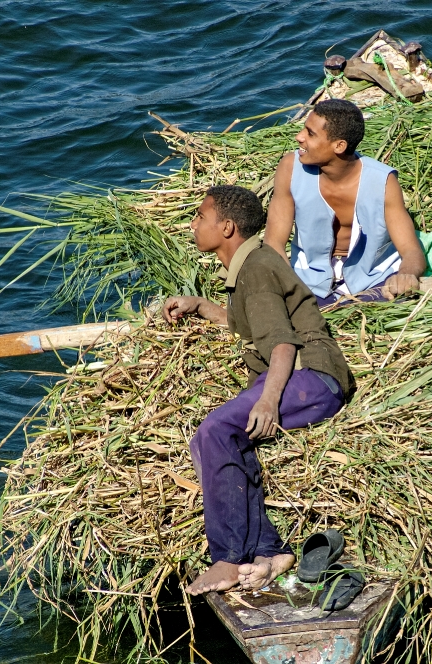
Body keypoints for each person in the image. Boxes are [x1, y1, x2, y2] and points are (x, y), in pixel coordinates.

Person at [162, 185, 353, 595]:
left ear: (226, 227)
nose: (193, 223)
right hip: (304, 378)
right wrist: (198, 305)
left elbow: (282, 342)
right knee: (217, 441)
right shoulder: (250, 265)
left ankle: (228, 558)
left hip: (312, 378)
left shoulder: (257, 269)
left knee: (214, 430)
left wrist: (268, 401)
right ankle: (269, 550)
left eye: (200, 215)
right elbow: (246, 324)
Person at [264, 98, 427, 307]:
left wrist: (405, 275)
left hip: (371, 276)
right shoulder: (290, 168)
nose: (299, 137)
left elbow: (411, 251)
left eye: (310, 134)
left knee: (391, 301)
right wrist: (290, 289)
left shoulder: (383, 182)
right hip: (309, 276)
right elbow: (274, 242)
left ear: (339, 146)